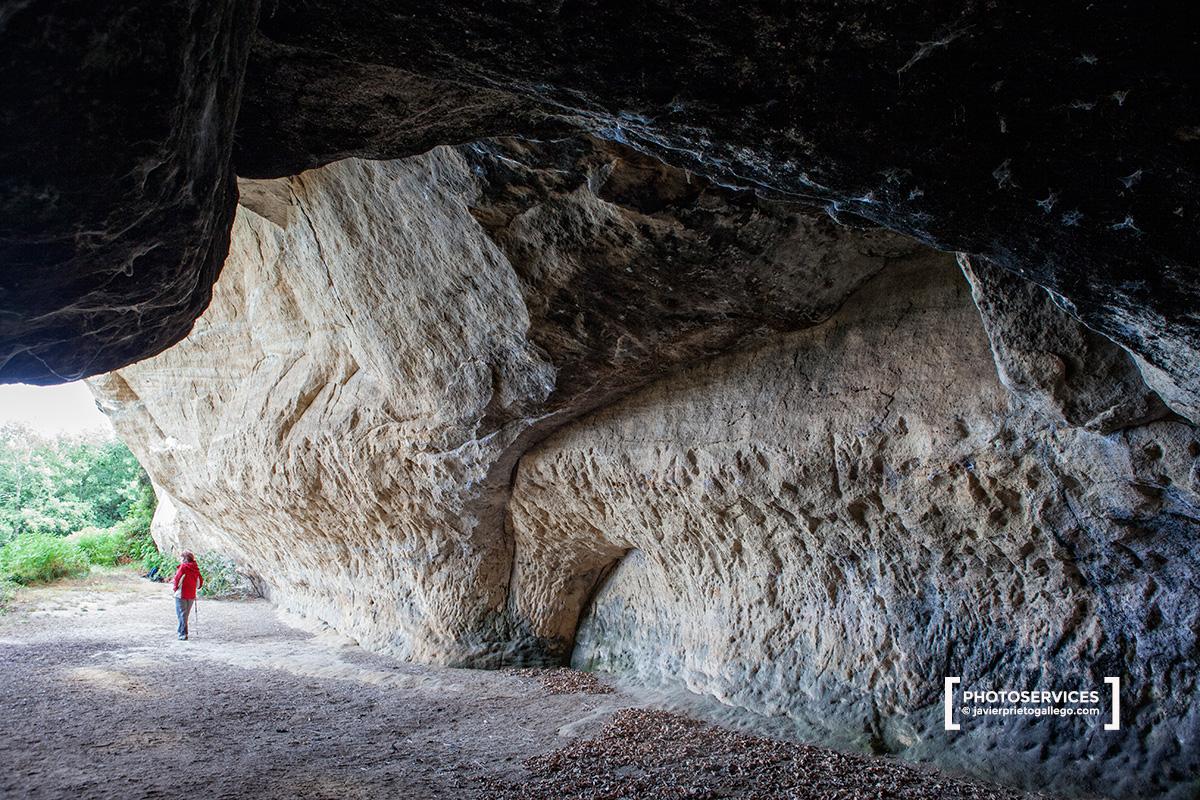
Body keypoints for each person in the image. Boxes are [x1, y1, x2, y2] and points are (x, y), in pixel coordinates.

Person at [171, 551, 204, 640]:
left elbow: (177, 579)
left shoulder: (183, 567)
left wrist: (175, 589)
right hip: (191, 595)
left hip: (181, 594)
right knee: (185, 615)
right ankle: (182, 632)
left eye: (181, 558)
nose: (180, 560)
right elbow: (199, 582)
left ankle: (182, 634)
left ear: (185, 558)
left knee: (182, 614)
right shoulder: (195, 568)